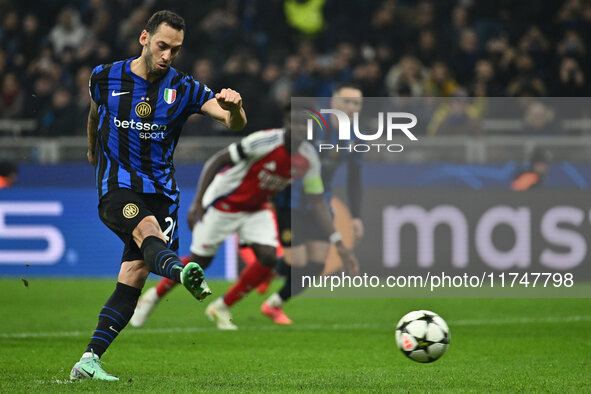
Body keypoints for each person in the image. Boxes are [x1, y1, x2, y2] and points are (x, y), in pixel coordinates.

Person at [69, 10, 246, 382]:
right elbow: (94, 113)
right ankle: (182, 272)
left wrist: (236, 108)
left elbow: (232, 123)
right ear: (144, 38)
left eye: (175, 50)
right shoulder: (105, 77)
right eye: (163, 46)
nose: (167, 56)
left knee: (133, 275)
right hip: (117, 187)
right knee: (148, 231)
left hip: (162, 193)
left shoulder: (184, 88)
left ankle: (89, 359)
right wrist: (91, 152)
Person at [130, 108, 358, 330]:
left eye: (304, 125)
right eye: (294, 123)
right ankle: (152, 297)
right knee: (200, 262)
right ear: (285, 124)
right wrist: (198, 202)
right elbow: (217, 160)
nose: (299, 128)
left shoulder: (309, 158)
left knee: (268, 256)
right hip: (224, 202)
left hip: (256, 208)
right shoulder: (264, 141)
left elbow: (317, 200)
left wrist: (338, 241)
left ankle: (221, 307)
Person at [261, 82, 364, 324]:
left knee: (316, 268)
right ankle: (271, 268)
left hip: (319, 205)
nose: (351, 108)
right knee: (296, 264)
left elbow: (354, 179)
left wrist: (357, 216)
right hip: (290, 201)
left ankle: (274, 303)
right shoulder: (314, 125)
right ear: (333, 103)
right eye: (346, 101)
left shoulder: (356, 137)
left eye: (357, 103)